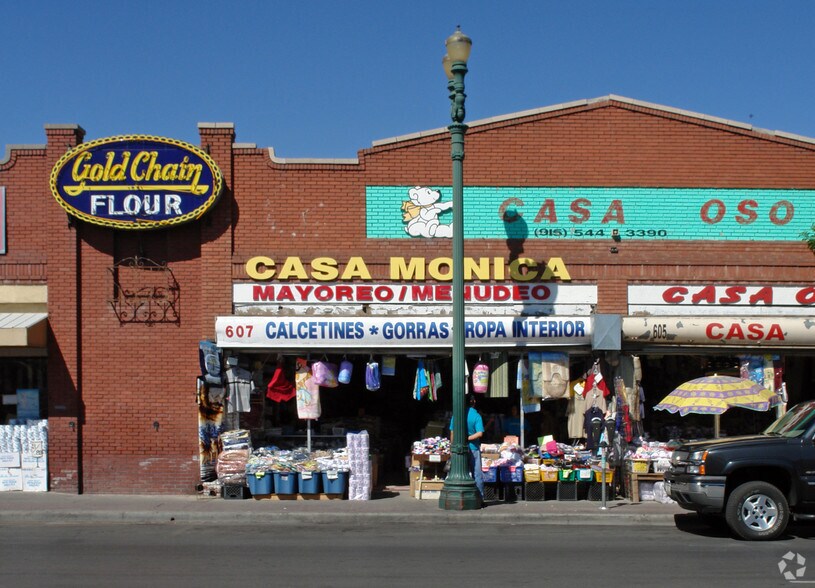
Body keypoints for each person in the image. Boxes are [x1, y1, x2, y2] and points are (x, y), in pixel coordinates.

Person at [449, 394, 485, 497]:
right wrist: (468, 438)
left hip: (459, 448)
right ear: (474, 402)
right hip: (473, 448)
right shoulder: (476, 416)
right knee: (477, 474)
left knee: (459, 473)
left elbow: (452, 432)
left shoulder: (457, 415)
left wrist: (452, 447)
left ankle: (460, 496)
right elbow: (480, 433)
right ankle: (479, 497)